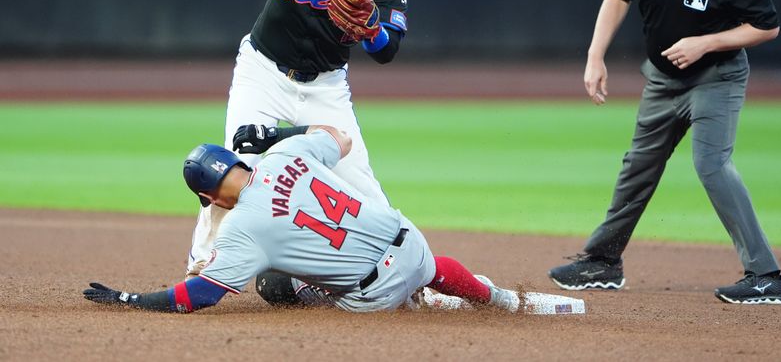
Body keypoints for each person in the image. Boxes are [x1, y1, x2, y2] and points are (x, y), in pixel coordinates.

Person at [136, 0, 410, 278]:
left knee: (366, 194)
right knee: (233, 167)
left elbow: (387, 52)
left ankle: (406, 272)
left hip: (326, 89)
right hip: (262, 72)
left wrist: (373, 32)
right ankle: (204, 263)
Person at [547, 0, 781, 305]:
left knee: (712, 166)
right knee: (637, 166)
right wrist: (594, 56)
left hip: (716, 78)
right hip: (662, 80)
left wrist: (706, 43)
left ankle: (765, 274)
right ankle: (603, 262)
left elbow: (767, 25)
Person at [82, 126, 525, 314]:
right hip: (412, 241)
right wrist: (278, 134)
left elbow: (198, 295)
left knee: (272, 283)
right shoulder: (286, 152)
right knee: (425, 263)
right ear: (237, 159)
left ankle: (410, 298)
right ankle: (496, 297)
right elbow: (340, 138)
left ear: (206, 197)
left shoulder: (241, 230)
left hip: (375, 297)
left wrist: (130, 299)